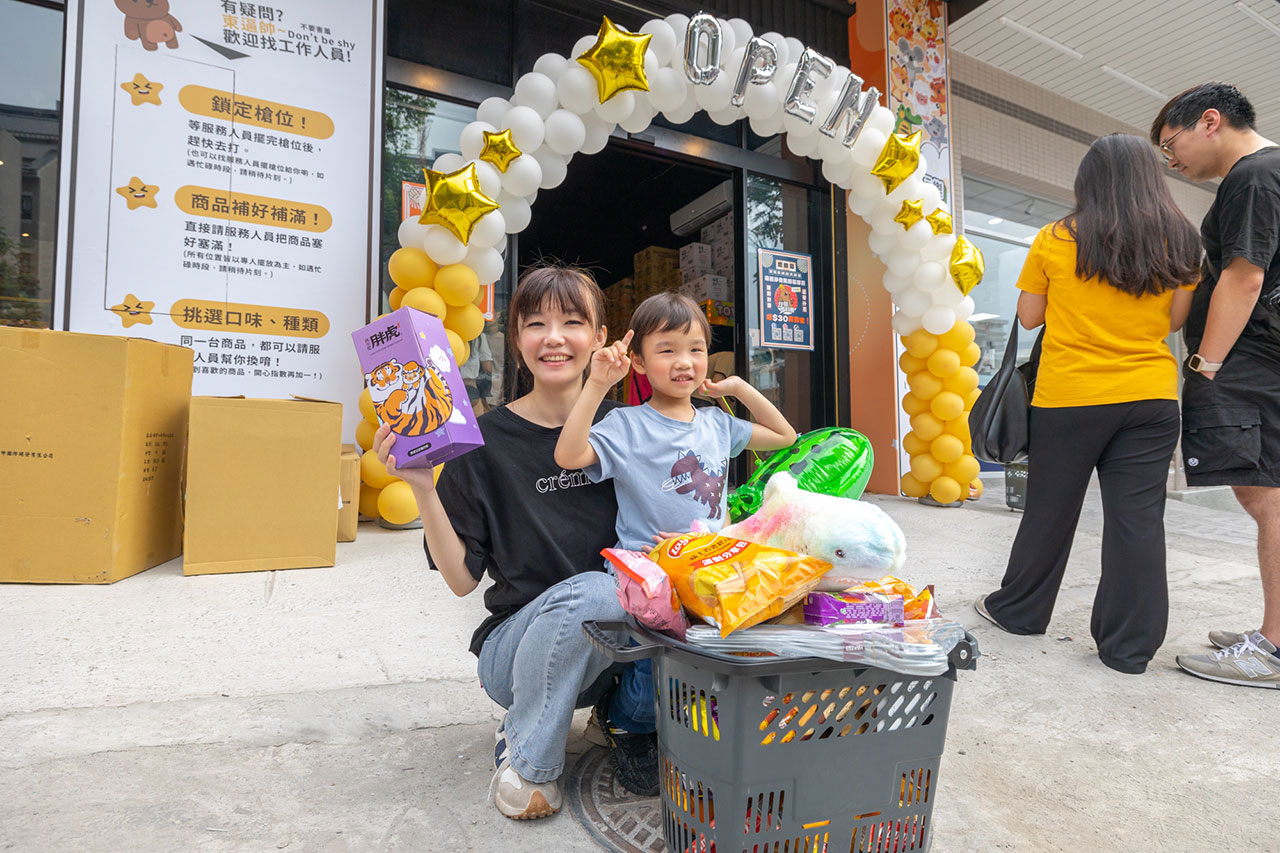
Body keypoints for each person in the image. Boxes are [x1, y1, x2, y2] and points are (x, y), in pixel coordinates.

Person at [373, 264, 657, 821]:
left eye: (573, 321)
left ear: (600, 338)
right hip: (517, 650)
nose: (554, 337)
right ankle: (529, 758)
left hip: (620, 649)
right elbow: (459, 581)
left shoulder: (630, 428)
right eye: (536, 324)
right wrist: (422, 487)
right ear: (517, 340)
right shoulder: (479, 445)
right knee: (601, 592)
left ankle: (620, 715)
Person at [974, 133, 1203, 675]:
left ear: (1088, 181)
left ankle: (1020, 612)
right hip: (1149, 396)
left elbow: (1030, 317)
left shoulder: (1057, 237)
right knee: (1139, 522)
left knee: (1050, 511)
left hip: (1071, 397)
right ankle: (1128, 650)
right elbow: (1174, 321)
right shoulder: (1183, 240)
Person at [1151, 83, 1280, 688]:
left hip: (1250, 363)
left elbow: (1244, 277)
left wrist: (1205, 364)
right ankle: (1274, 631)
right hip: (1259, 363)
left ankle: (1275, 647)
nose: (1170, 160)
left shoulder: (1253, 176)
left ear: (1209, 121)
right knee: (1264, 495)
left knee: (1268, 497)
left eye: (1170, 144)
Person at [554, 290, 797, 574]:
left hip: (711, 562)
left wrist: (739, 388)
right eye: (667, 350)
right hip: (648, 570)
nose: (684, 361)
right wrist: (597, 383)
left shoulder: (717, 423)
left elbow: (785, 436)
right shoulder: (627, 425)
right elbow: (568, 456)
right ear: (639, 362)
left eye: (695, 350)